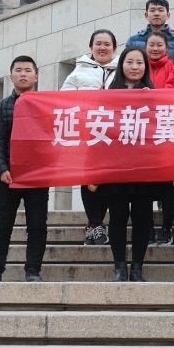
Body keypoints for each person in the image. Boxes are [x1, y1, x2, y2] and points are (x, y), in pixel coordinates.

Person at [0, 56, 49, 282]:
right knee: (1, 225)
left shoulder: (46, 106)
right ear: (11, 76)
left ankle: (33, 271)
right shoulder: (1, 107)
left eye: (28, 70)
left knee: (37, 226)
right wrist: (1, 168)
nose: (23, 74)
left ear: (36, 77)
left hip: (37, 177)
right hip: (7, 176)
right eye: (18, 70)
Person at [61, 29, 119, 246]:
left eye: (107, 44)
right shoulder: (78, 73)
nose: (103, 48)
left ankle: (103, 222)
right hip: (89, 136)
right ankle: (94, 224)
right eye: (98, 44)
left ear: (114, 48)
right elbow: (64, 102)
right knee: (90, 181)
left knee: (109, 181)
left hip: (115, 138)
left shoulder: (122, 71)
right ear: (91, 47)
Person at [102, 46, 156, 282]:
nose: (135, 67)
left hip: (144, 167)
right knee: (117, 217)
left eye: (139, 63)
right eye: (130, 62)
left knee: (143, 218)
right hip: (116, 167)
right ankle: (119, 267)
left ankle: (137, 268)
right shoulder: (108, 94)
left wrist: (151, 101)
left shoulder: (154, 95)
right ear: (121, 65)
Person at [144, 31, 174, 245]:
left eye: (159, 45)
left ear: (167, 47)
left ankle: (167, 227)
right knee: (144, 183)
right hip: (142, 129)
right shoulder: (139, 66)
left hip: (166, 126)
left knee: (166, 183)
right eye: (151, 45)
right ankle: (147, 228)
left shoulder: (173, 68)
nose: (155, 49)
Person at [125, 0, 174, 64]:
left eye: (160, 10)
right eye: (152, 10)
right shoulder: (133, 41)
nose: (156, 14)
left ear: (168, 15)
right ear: (146, 15)